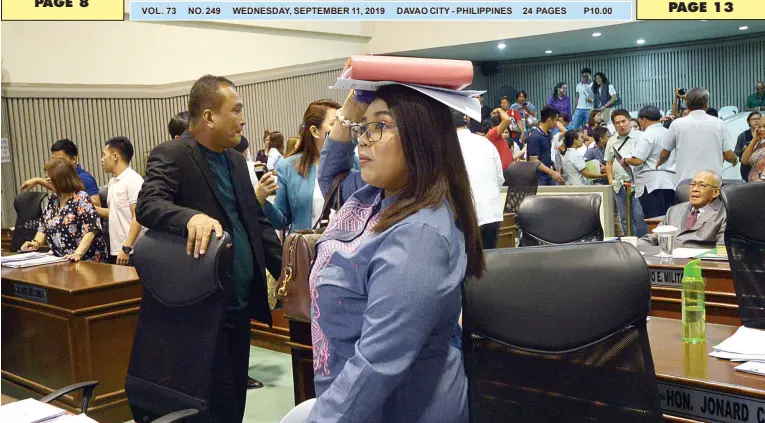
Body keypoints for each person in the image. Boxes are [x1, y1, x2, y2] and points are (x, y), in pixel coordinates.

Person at [305, 85, 485, 423]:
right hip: (353, 403)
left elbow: (376, 364)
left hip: (395, 410)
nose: (362, 138)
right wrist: (351, 109)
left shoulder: (419, 237)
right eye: (363, 126)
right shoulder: (374, 195)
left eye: (380, 126)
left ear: (422, 137)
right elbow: (331, 176)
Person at [136, 75, 282, 423]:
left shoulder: (233, 160)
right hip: (203, 308)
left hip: (240, 302)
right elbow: (148, 204)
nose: (243, 119)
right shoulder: (172, 153)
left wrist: (287, 269)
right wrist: (189, 217)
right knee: (210, 403)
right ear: (209, 117)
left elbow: (255, 221)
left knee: (234, 401)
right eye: (236, 110)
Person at [258, 99, 341, 230]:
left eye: (343, 123)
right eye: (334, 124)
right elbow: (282, 221)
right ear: (314, 131)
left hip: (348, 247)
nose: (341, 129)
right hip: (308, 247)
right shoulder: (288, 167)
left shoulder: (353, 162)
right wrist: (261, 201)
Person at [20, 157, 108, 262]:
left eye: (49, 178)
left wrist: (78, 253)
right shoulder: (53, 199)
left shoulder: (81, 198)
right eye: (46, 178)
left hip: (86, 260)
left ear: (61, 179)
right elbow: (43, 227)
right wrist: (35, 242)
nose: (47, 181)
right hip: (62, 260)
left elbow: (91, 230)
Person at [657, 87, 738, 183]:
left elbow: (665, 153)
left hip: (686, 182)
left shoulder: (677, 124)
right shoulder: (719, 123)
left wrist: (659, 162)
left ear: (686, 104)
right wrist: (734, 160)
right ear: (707, 103)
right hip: (711, 182)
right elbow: (728, 156)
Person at [454, 109, 504, 249]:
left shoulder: (446, 147)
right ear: (467, 120)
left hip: (463, 218)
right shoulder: (486, 143)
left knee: (466, 267)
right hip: (491, 214)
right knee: (489, 265)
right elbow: (499, 179)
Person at [638, 171, 726, 249]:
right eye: (692, 184)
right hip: (668, 262)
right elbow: (654, 238)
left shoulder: (724, 214)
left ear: (716, 192)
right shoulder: (674, 210)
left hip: (700, 263)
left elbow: (723, 249)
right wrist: (629, 246)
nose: (695, 189)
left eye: (702, 186)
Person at [94, 136, 145, 265]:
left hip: (131, 250)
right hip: (117, 249)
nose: (102, 159)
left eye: (104, 155)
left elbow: (137, 216)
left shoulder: (133, 180)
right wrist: (92, 208)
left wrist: (127, 247)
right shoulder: (113, 182)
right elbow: (115, 213)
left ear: (115, 156)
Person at [624, 106, 677, 218]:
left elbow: (638, 160)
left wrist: (625, 160)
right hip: (671, 182)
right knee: (668, 219)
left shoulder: (648, 134)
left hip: (653, 185)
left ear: (644, 120)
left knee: (654, 221)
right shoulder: (668, 133)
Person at [20, 139, 101, 206]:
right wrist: (38, 180)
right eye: (53, 159)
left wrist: (76, 201)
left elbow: (96, 204)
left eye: (59, 160)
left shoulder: (84, 178)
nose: (55, 163)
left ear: (73, 159)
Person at [605, 109, 648, 237]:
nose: (621, 125)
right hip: (619, 184)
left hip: (638, 184)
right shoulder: (612, 141)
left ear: (629, 120)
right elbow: (609, 163)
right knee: (624, 219)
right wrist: (611, 181)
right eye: (617, 123)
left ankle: (642, 244)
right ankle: (629, 245)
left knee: (640, 217)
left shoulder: (641, 137)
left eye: (623, 121)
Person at [527, 106, 564, 185]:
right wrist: (552, 173)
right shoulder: (535, 137)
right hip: (538, 178)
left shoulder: (548, 134)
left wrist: (550, 162)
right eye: (556, 120)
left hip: (547, 175)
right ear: (549, 120)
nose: (557, 124)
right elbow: (534, 160)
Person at [735, 112, 762, 180]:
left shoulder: (763, 134)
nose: (756, 121)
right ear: (748, 121)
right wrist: (744, 150)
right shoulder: (743, 135)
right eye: (753, 119)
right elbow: (736, 152)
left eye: (758, 118)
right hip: (747, 167)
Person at [741, 115, 765, 182]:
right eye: (759, 127)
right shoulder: (757, 143)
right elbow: (744, 161)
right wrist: (754, 140)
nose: (761, 129)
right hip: (753, 185)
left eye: (764, 127)